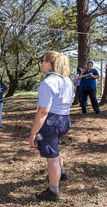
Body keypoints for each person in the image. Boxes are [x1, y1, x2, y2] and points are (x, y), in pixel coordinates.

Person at [29, 51, 74, 202]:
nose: (41, 63)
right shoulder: (67, 80)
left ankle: (53, 190)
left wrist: (33, 133)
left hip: (51, 122)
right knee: (56, 148)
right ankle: (61, 172)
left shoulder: (48, 83)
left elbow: (43, 111)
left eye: (42, 61)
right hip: (65, 120)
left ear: (49, 63)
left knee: (52, 158)